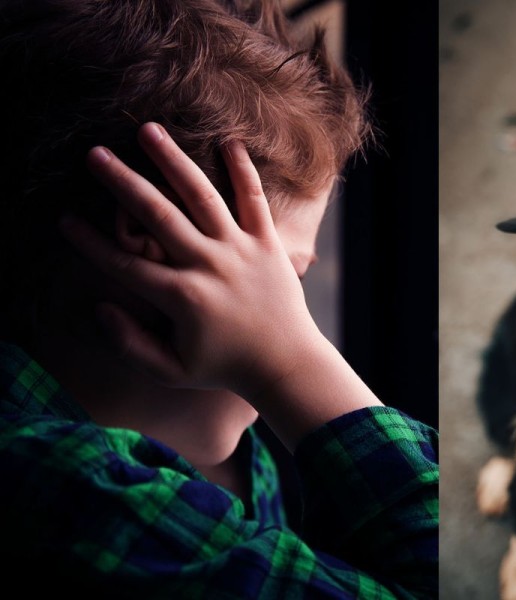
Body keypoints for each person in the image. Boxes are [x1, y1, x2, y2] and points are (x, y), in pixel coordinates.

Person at [0, 0, 438, 597]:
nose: (289, 323)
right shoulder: (69, 487)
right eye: (280, 284)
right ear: (157, 249)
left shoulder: (229, 451)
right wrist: (290, 366)